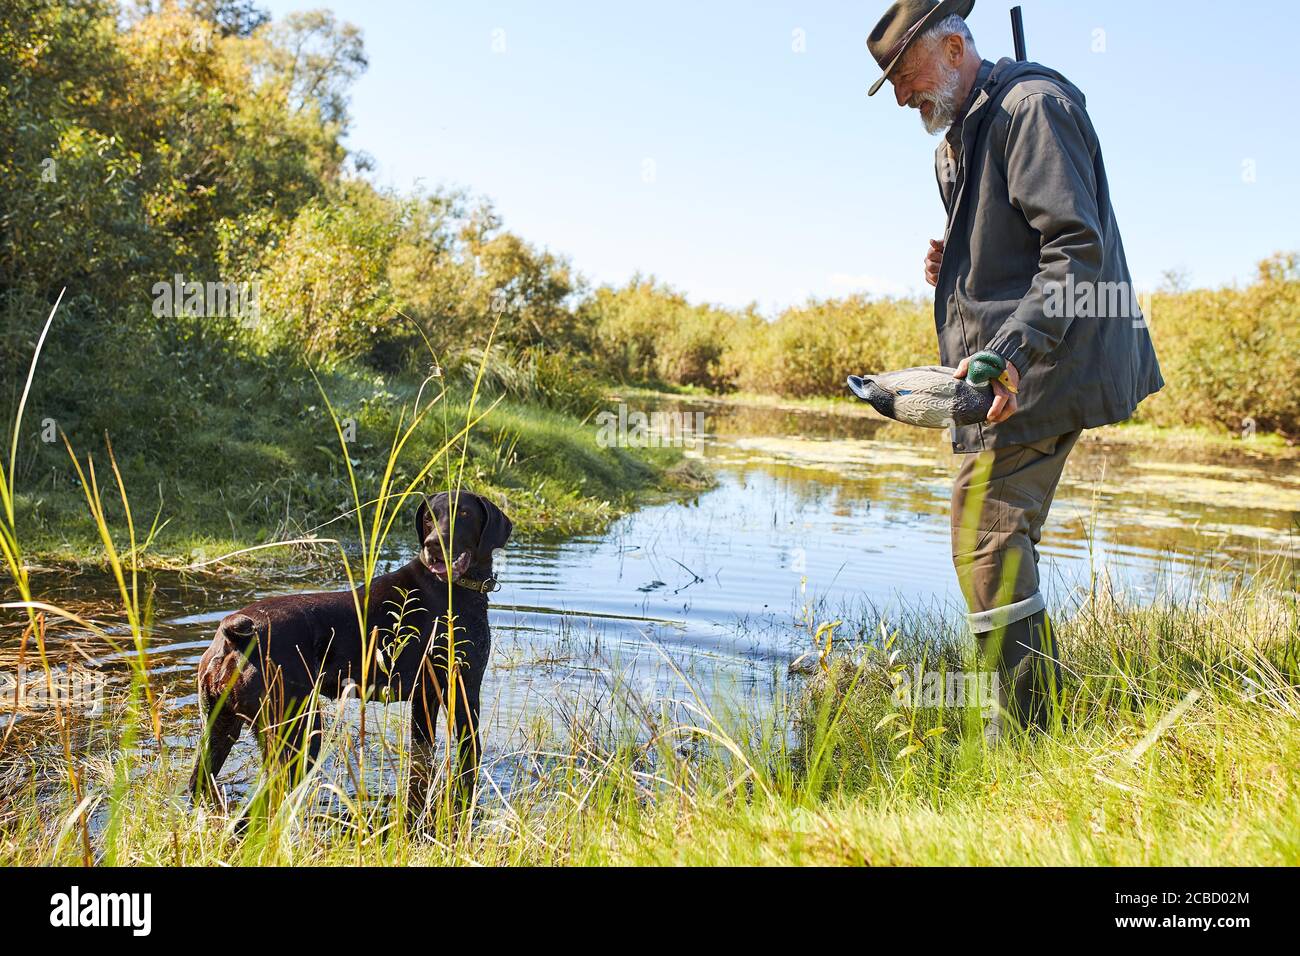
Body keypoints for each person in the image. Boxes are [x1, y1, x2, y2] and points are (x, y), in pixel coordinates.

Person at [865, 0, 1163, 734]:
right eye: (893, 83)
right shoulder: (961, 137)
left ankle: (1029, 735)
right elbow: (1013, 245)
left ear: (956, 46)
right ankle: (1035, 720)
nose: (901, 95)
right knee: (991, 533)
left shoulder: (1033, 107)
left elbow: (1074, 249)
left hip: (1046, 360)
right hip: (1006, 367)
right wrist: (952, 257)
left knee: (985, 530)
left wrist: (1011, 356)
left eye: (904, 72)